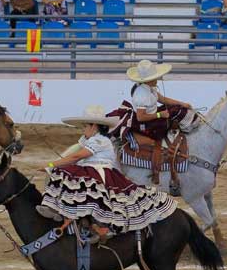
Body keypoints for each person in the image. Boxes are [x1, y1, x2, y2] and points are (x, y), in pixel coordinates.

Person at [36, 105, 176, 243]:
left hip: (98, 173)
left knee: (63, 173)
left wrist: (50, 165)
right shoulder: (91, 140)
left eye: (85, 126)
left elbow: (76, 157)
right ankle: (66, 213)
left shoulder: (100, 140)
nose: (83, 130)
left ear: (94, 126)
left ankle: (60, 211)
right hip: (93, 172)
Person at [113, 60, 197, 147]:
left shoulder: (149, 88)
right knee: (177, 112)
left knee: (177, 108)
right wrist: (159, 115)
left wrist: (182, 104)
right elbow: (140, 117)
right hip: (146, 123)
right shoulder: (142, 94)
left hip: (152, 115)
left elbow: (162, 99)